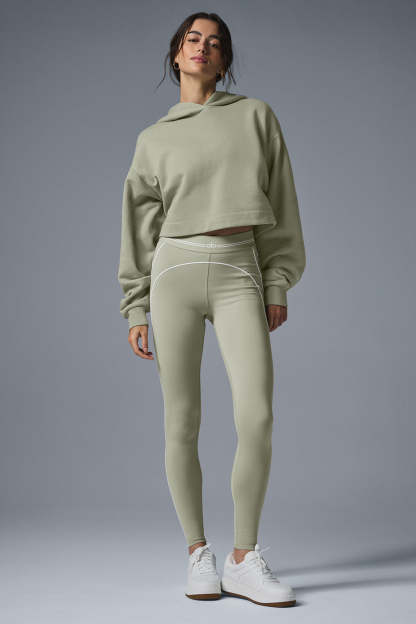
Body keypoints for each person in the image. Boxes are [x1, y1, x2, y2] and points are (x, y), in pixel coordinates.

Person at [117, 12, 306, 608]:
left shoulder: (255, 117)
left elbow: (281, 205)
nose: (203, 48)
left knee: (257, 416)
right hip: (171, 274)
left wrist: (277, 283)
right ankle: (197, 551)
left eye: (215, 43)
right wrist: (136, 306)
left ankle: (244, 558)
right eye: (193, 39)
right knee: (182, 420)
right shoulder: (153, 139)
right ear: (177, 54)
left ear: (223, 63)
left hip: (238, 270)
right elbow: (138, 230)